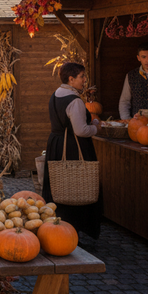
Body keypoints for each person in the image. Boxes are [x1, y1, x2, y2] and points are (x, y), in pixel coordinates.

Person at [43, 62, 102, 239]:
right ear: (71, 79)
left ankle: (57, 225)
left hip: (56, 144)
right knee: (76, 186)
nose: (84, 80)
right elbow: (81, 130)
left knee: (58, 186)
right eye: (82, 76)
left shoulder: (56, 95)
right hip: (73, 148)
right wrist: (97, 127)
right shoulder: (74, 100)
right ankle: (75, 229)